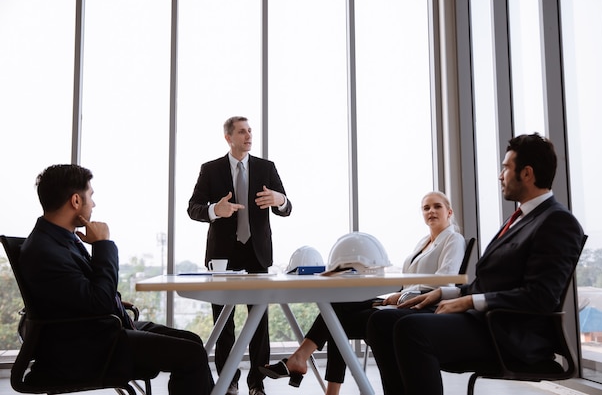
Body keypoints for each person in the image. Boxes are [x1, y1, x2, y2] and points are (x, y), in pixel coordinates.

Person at [366, 133, 586, 395]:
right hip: (483, 322)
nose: (500, 175)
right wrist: (446, 292)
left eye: (506, 168)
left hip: (507, 333)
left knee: (411, 329)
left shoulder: (557, 222)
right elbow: (489, 283)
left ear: (526, 174)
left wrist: (469, 302)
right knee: (380, 322)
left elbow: (541, 297)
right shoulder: (519, 219)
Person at [19, 164, 213, 395]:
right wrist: (103, 245)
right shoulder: (46, 250)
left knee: (191, 340)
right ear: (75, 201)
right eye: (91, 196)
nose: (94, 204)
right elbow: (98, 300)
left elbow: (83, 294)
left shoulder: (57, 239)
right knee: (191, 354)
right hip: (89, 347)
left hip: (96, 330)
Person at [259, 191, 465, 394]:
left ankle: (301, 362)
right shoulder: (423, 243)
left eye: (437, 206)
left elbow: (443, 282)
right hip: (402, 300)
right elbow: (409, 281)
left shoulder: (453, 240)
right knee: (336, 309)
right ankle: (306, 366)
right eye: (426, 207)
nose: (431, 211)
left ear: (449, 211)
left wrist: (400, 296)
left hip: (422, 306)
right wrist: (397, 294)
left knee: (336, 316)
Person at [188, 116, 292, 395]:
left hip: (257, 253)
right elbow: (193, 208)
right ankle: (229, 381)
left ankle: (257, 384)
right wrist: (214, 210)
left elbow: (287, 205)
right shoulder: (210, 170)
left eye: (250, 132)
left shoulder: (265, 167)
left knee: (258, 320)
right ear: (228, 137)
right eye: (242, 132)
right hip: (223, 255)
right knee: (224, 321)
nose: (248, 136)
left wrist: (279, 201)